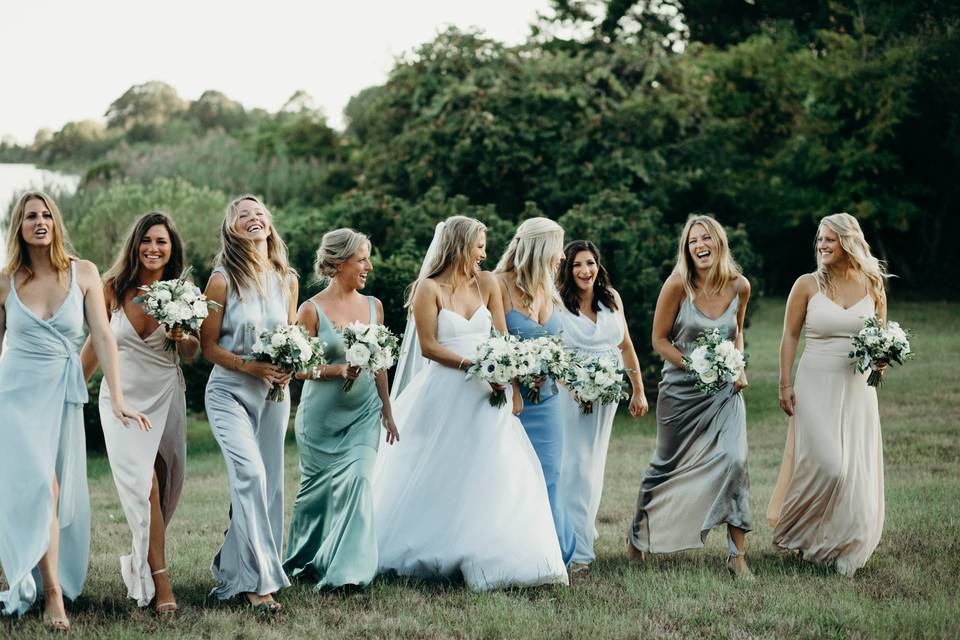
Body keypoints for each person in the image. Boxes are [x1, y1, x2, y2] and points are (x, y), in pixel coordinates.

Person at [373, 216, 568, 591]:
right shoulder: (427, 290)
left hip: (488, 392)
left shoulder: (488, 284)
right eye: (479, 246)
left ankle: (491, 552)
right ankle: (438, 546)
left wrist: (510, 384)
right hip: (445, 390)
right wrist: (474, 366)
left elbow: (503, 338)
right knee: (443, 470)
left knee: (494, 470)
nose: (484, 253)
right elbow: (429, 347)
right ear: (461, 245)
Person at [0, 192, 149, 630]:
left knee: (54, 491)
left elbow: (103, 339)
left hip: (61, 398)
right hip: (15, 398)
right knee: (41, 489)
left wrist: (117, 398)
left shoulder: (83, 273)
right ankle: (51, 599)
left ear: (56, 221)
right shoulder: (5, 280)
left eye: (46, 214)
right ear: (19, 227)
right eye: (30, 216)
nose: (40, 221)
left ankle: (37, 578)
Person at [626, 214, 754, 579]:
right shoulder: (677, 285)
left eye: (706, 239)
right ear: (687, 249)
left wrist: (738, 366)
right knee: (665, 467)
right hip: (681, 393)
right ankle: (637, 537)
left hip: (725, 393)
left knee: (735, 461)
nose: (700, 245)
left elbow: (737, 333)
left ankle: (737, 555)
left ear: (719, 243)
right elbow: (659, 341)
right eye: (693, 241)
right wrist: (695, 366)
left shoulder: (739, 286)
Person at [79, 211, 194, 613]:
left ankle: (142, 564)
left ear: (171, 249)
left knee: (162, 492)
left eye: (161, 242)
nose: (153, 248)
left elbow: (193, 352)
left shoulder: (182, 291)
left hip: (165, 395)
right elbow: (95, 347)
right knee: (143, 486)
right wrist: (70, 392)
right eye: (146, 241)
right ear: (135, 245)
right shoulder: (112, 288)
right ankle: (162, 586)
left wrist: (182, 337)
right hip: (121, 400)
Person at [767, 212, 887, 576]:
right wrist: (784, 383)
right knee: (830, 466)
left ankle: (844, 545)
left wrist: (882, 358)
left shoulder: (872, 282)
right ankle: (804, 532)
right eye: (819, 239)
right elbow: (789, 336)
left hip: (857, 388)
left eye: (829, 239)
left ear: (848, 242)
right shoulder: (806, 285)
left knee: (854, 471)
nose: (821, 245)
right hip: (815, 384)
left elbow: (881, 335)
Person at [283, 228, 399, 590]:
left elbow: (379, 363)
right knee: (315, 496)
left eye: (368, 257)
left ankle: (350, 572)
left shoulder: (374, 306)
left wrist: (387, 408)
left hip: (364, 413)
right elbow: (295, 368)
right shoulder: (310, 310)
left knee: (361, 481)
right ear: (337, 263)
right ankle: (304, 561)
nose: (369, 266)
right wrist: (335, 370)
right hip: (320, 420)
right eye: (362, 258)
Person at [200, 194, 297, 612]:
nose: (254, 219)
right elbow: (207, 347)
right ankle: (260, 585)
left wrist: (292, 365)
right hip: (229, 391)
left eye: (260, 214)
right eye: (244, 216)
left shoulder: (286, 278)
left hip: (274, 394)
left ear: (270, 225)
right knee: (250, 474)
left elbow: (291, 337)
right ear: (232, 228)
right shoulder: (221, 279)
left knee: (271, 487)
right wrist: (250, 367)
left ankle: (230, 564)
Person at [556, 240, 648, 571]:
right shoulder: (558, 304)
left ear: (599, 266)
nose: (585, 270)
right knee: (575, 469)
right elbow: (553, 354)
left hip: (606, 399)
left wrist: (638, 389)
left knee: (593, 470)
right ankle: (577, 551)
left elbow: (625, 345)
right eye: (578, 265)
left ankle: (581, 531)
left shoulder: (611, 298)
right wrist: (573, 386)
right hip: (572, 399)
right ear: (568, 269)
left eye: (590, 263)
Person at [495, 217, 576, 564]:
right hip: (512, 404)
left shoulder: (550, 287)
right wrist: (515, 384)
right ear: (542, 248)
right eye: (558, 247)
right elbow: (495, 345)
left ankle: (554, 554)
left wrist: (557, 370)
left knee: (551, 475)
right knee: (514, 478)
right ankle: (518, 554)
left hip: (548, 402)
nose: (562, 257)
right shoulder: (498, 285)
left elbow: (557, 345)